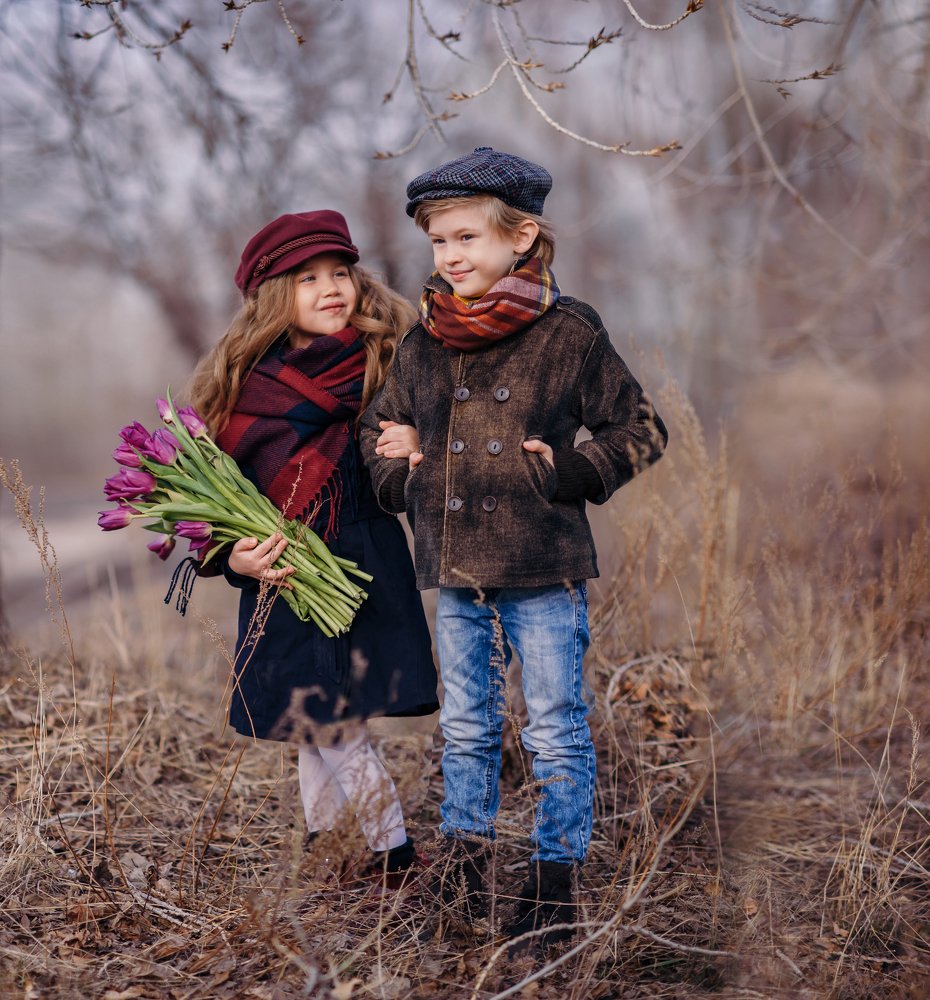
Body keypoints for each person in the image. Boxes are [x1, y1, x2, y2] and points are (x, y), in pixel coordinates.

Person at [360, 148, 667, 951]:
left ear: (521, 236)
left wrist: (567, 471)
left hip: (543, 565)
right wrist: (400, 469)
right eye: (439, 241)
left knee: (554, 727)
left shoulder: (570, 331)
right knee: (466, 727)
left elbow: (642, 430)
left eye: (467, 237)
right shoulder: (424, 341)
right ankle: (463, 873)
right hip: (457, 569)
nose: (450, 255)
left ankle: (554, 883)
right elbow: (378, 430)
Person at [187, 209, 438, 882]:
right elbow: (216, 509)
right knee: (312, 724)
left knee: (335, 725)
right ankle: (328, 854)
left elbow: (426, 453)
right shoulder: (245, 391)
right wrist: (234, 557)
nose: (331, 289)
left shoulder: (385, 366)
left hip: (363, 572)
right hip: (283, 583)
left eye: (340, 273)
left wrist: (417, 444)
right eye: (308, 279)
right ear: (273, 296)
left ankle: (393, 860)